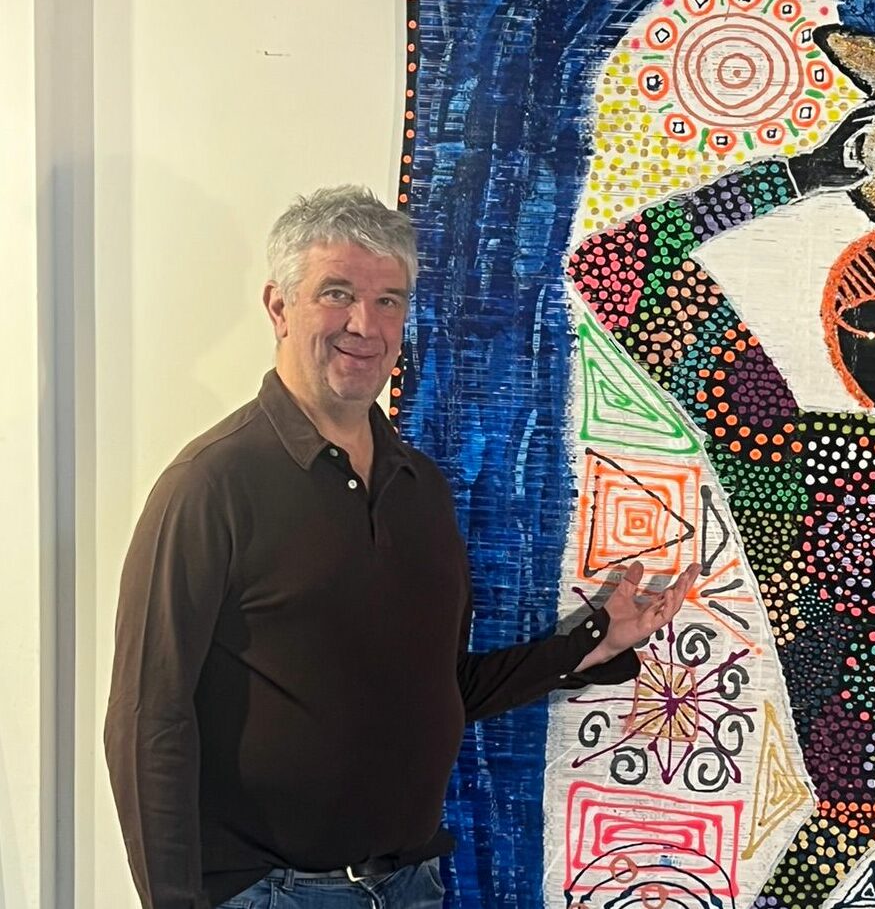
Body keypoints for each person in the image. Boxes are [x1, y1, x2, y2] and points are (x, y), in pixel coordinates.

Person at [103, 185, 700, 909]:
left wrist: (593, 641)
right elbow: (148, 719)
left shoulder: (419, 488)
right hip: (275, 895)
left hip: (413, 884)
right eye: (337, 293)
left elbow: (442, 688)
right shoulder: (210, 485)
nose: (365, 324)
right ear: (279, 307)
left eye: (388, 300)